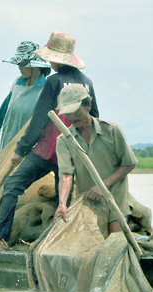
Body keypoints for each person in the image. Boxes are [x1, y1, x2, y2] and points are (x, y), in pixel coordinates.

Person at [0, 32, 98, 250]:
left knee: (12, 185)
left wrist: (21, 150)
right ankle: (59, 243)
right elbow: (95, 117)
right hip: (74, 152)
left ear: (57, 58)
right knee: (62, 199)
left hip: (47, 151)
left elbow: (39, 119)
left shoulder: (53, 81)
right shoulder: (87, 83)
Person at [53, 84, 138, 234]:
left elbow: (129, 163)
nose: (72, 117)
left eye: (75, 111)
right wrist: (62, 204)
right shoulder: (64, 139)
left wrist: (102, 186)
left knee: (114, 242)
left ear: (88, 105)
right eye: (68, 113)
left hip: (115, 198)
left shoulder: (111, 130)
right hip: (89, 201)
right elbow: (66, 174)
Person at [0, 41, 51, 151]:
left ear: (35, 66)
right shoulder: (18, 84)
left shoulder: (45, 90)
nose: (19, 68)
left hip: (28, 149)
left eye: (23, 64)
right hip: (7, 144)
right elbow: (4, 111)